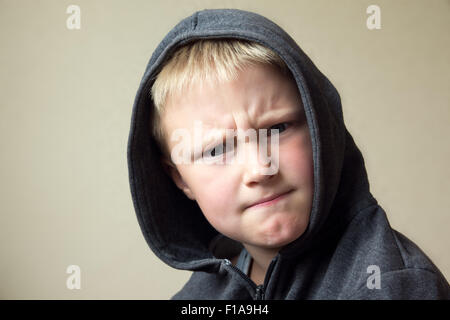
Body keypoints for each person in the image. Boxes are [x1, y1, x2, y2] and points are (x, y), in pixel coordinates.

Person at [127, 8, 449, 299]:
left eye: (278, 128)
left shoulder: (389, 286)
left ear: (320, 127)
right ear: (180, 178)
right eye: (217, 149)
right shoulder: (200, 298)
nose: (259, 168)